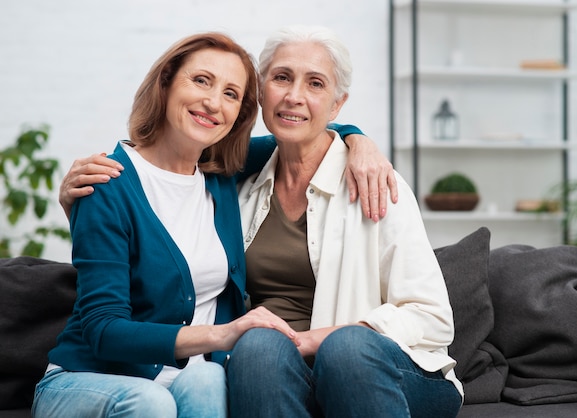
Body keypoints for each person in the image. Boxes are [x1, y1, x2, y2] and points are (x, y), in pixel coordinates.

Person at [46, 31, 396, 418]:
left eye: (231, 94)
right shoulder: (106, 184)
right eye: (201, 81)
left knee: (210, 379)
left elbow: (306, 131)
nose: (213, 103)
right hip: (90, 378)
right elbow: (102, 331)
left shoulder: (224, 173)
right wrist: (221, 334)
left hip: (183, 378)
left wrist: (361, 142)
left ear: (239, 114)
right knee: (151, 402)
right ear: (165, 83)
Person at [229, 25, 463, 418]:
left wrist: (320, 340)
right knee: (254, 346)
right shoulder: (239, 185)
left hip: (383, 370)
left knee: (346, 349)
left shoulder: (374, 181)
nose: (293, 96)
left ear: (337, 105)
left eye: (315, 83)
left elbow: (433, 317)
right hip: (281, 372)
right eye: (282, 77)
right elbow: (167, 157)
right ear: (261, 90)